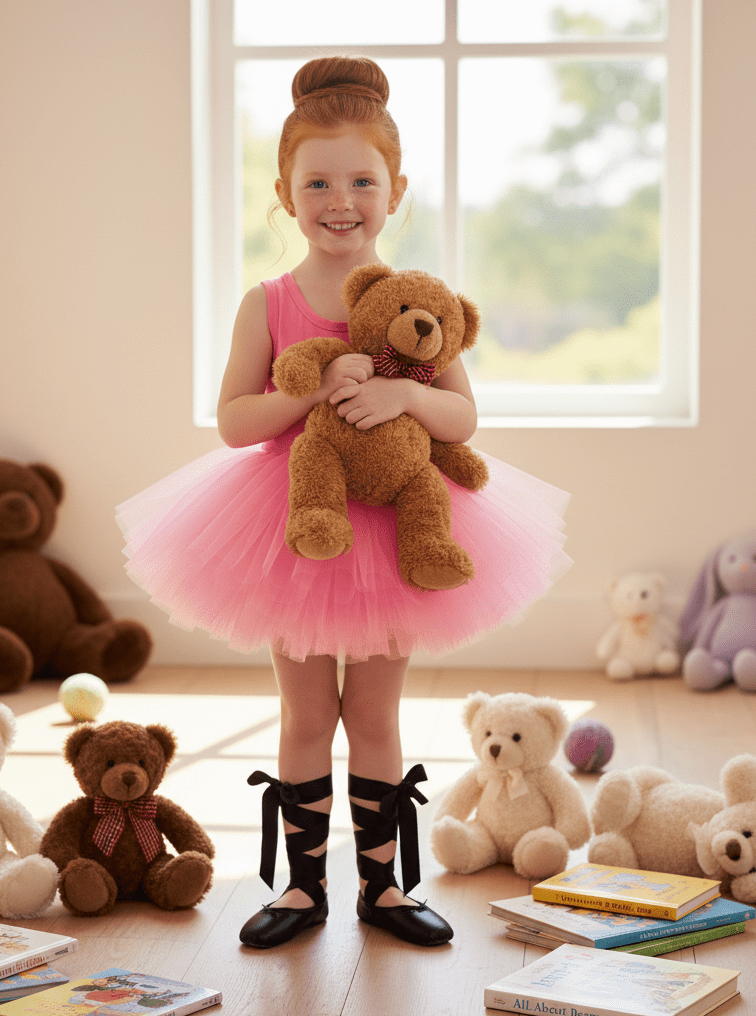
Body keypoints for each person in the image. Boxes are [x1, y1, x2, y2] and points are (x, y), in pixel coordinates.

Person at [116, 55, 570, 949]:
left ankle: (383, 888)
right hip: (296, 528)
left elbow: (463, 415)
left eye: (362, 180)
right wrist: (315, 387)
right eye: (316, 181)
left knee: (374, 714)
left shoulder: (417, 304)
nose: (340, 199)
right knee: (305, 714)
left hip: (397, 528)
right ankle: (299, 889)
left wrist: (405, 396)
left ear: (395, 189)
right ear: (284, 194)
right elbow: (235, 421)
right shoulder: (270, 301)